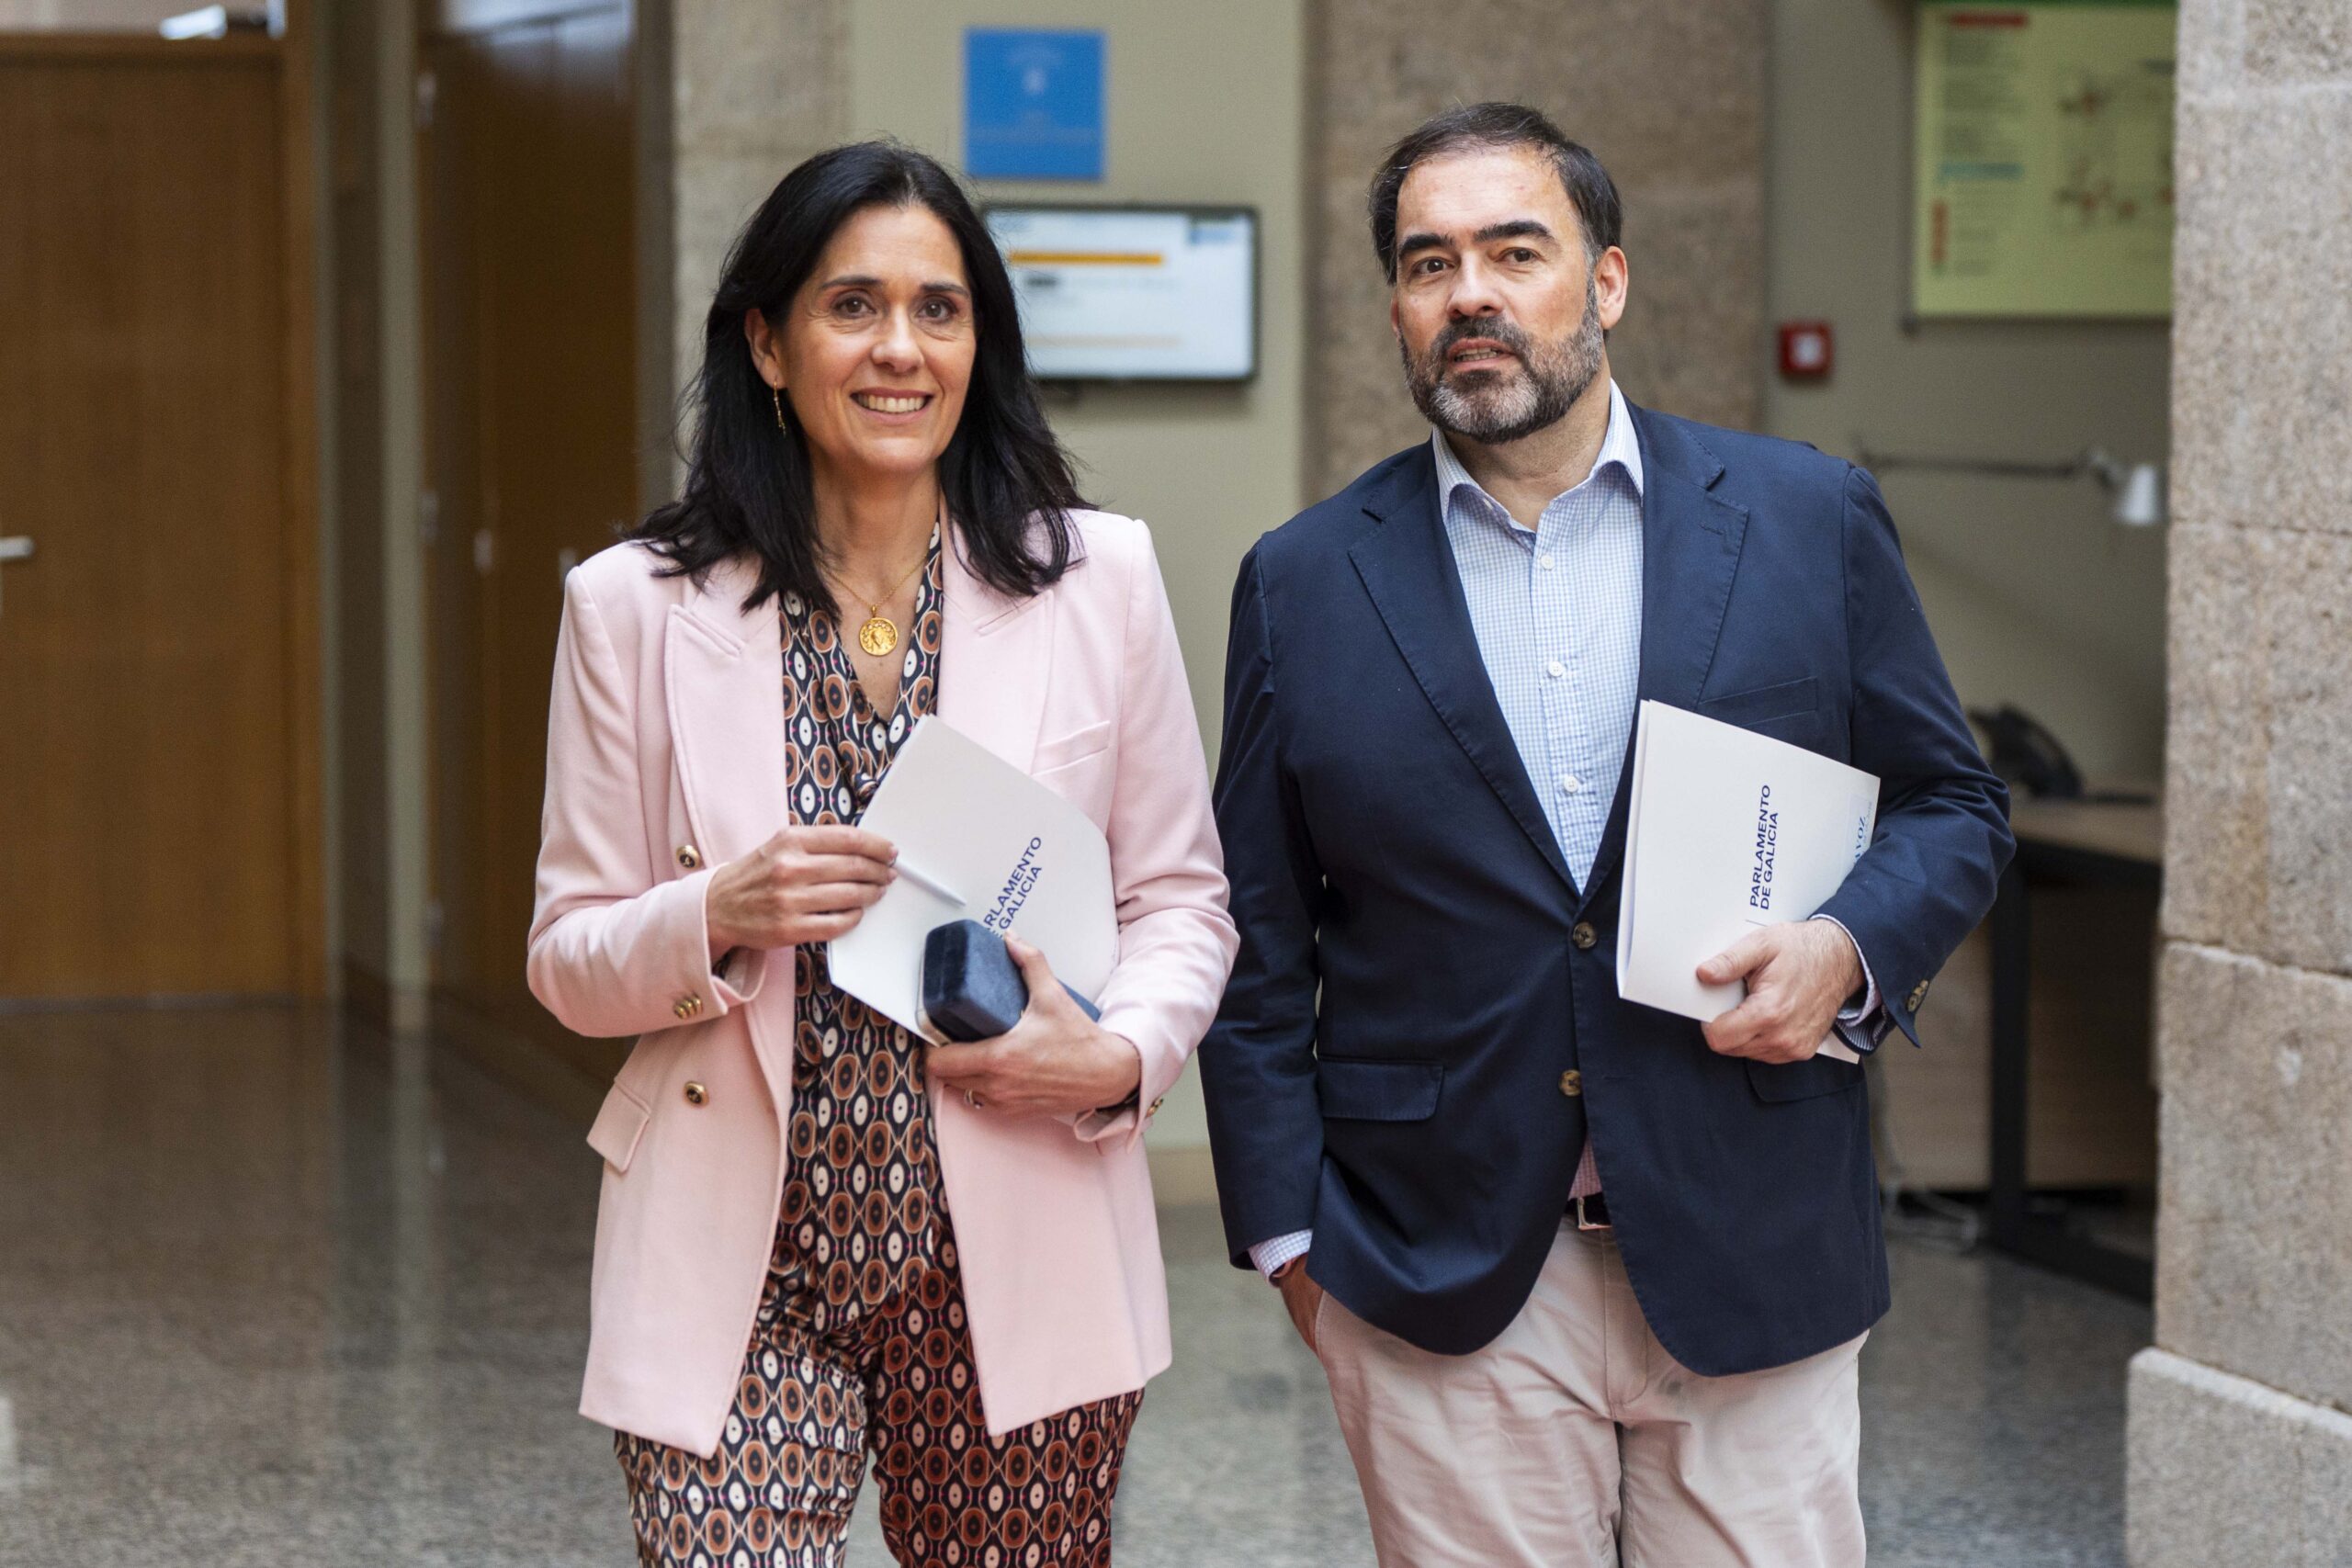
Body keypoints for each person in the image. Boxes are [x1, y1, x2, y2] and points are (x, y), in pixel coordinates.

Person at [1199, 102, 2014, 1566]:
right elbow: (1255, 938)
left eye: (1517, 252)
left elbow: (1954, 807)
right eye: (1429, 264)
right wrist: (1291, 1249)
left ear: (1610, 281)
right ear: (1397, 306)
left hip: (1752, 1232)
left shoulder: (1808, 517)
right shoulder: (1302, 582)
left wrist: (1847, 950)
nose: (1472, 295)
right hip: (1440, 1267)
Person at [528, 141, 1236, 1568]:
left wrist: (1118, 1058)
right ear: (767, 345)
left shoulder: (1098, 582)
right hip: (741, 1262)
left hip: (1019, 1241)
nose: (900, 348)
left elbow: (1181, 899)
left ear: (981, 343)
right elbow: (566, 955)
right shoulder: (632, 609)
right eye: (852, 306)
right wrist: (714, 911)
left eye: (940, 309)